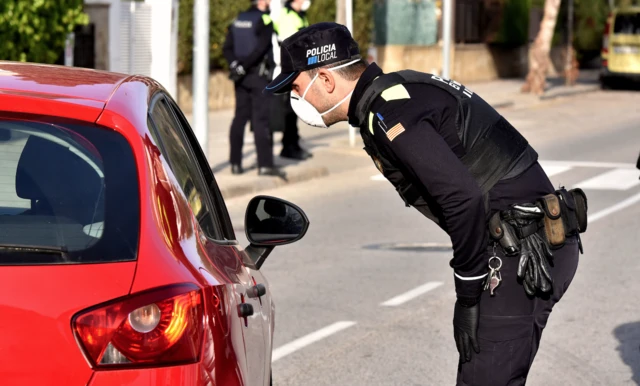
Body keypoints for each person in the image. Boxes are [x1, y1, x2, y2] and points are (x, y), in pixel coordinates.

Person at [264, 23, 589, 385]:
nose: (295, 99)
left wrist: (467, 295)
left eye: (295, 87)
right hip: (533, 243)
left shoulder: (388, 111)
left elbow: (462, 198)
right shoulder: (396, 92)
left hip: (526, 256)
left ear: (324, 80)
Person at [223, 0, 285, 177]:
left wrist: (236, 65)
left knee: (239, 118)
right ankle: (265, 165)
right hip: (257, 76)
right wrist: (245, 66)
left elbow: (227, 47)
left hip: (240, 78)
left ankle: (235, 163)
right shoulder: (264, 20)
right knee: (261, 121)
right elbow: (261, 49)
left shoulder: (239, 19)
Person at [271, 0, 313, 160]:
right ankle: (289, 146)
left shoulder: (299, 15)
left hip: (298, 69)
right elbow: (291, 45)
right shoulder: (287, 16)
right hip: (290, 70)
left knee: (294, 109)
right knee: (289, 110)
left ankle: (292, 144)